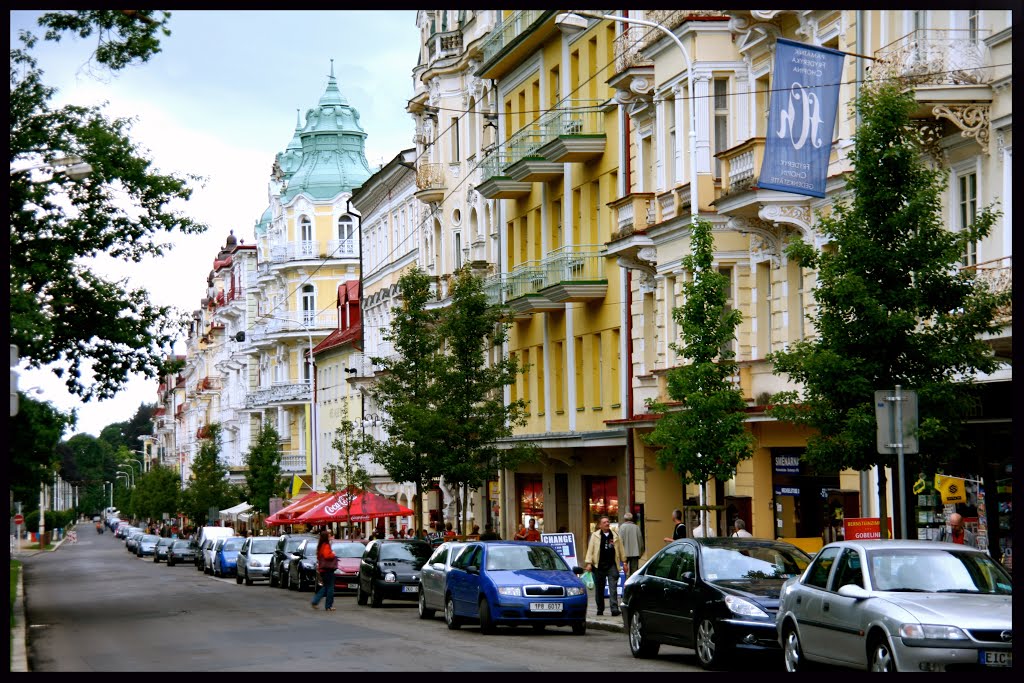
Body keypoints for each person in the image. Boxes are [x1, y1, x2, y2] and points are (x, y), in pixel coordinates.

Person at [584, 516, 626, 617]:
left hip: (612, 565)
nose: (607, 523)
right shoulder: (595, 536)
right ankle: (600, 609)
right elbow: (590, 549)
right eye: (605, 522)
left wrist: (624, 562)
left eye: (608, 522)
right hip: (598, 566)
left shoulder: (615, 535)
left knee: (613, 588)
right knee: (599, 589)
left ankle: (614, 609)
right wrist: (589, 563)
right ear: (600, 525)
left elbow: (621, 549)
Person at [310, 530, 338, 612]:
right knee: (330, 588)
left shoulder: (321, 545)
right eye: (329, 535)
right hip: (328, 569)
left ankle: (315, 601)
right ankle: (328, 605)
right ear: (326, 537)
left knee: (326, 587)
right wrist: (333, 553)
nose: (330, 536)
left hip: (323, 569)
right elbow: (327, 555)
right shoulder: (325, 545)